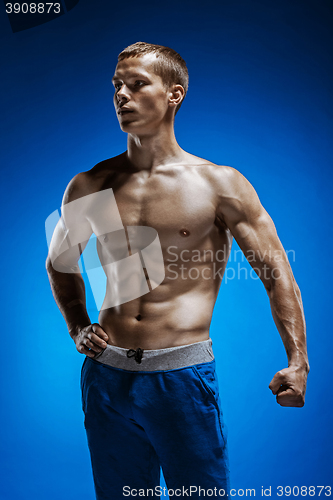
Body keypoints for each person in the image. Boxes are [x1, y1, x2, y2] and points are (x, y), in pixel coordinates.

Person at [46, 41, 309, 499]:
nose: (122, 96)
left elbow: (276, 273)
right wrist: (77, 326)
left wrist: (298, 361)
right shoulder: (90, 184)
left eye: (137, 84)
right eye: (116, 86)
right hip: (107, 378)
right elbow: (60, 263)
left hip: (180, 380)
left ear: (174, 94)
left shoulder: (218, 183)